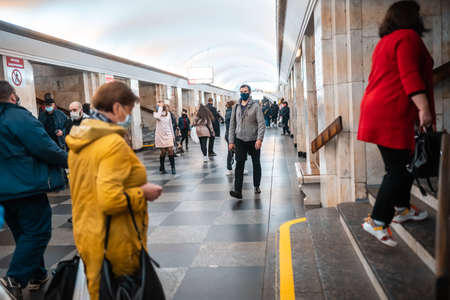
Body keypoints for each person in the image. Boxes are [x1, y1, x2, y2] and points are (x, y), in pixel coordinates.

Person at [66, 81, 162, 300]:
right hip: (115, 239)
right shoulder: (112, 143)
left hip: (87, 231)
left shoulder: (79, 140)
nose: (128, 117)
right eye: (128, 111)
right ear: (117, 108)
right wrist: (143, 193)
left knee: (100, 291)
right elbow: (110, 199)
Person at [358, 1, 433, 247]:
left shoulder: (385, 42)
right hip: (391, 110)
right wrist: (423, 108)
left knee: (402, 165)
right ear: (411, 17)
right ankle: (378, 220)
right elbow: (409, 74)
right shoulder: (408, 37)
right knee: (398, 170)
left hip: (379, 109)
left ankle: (401, 208)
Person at [0, 81, 68, 300]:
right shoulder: (18, 117)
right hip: (26, 186)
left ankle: (37, 274)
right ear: (12, 96)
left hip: (4, 189)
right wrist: (69, 159)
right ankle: (13, 280)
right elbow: (44, 146)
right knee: (38, 231)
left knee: (22, 232)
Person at [228, 84, 265, 198]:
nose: (243, 93)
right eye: (241, 91)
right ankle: (238, 190)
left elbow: (261, 124)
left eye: (245, 91)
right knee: (239, 164)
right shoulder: (236, 107)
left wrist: (259, 139)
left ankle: (256, 185)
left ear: (249, 93)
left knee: (256, 163)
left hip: (253, 140)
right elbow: (232, 124)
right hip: (240, 140)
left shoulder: (255, 106)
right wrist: (231, 141)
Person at [154, 101, 176, 174]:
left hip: (168, 134)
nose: (163, 106)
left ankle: (173, 167)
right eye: (160, 105)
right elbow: (157, 116)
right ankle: (162, 167)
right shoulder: (156, 114)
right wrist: (159, 107)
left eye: (162, 105)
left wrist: (173, 135)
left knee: (170, 150)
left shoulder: (168, 114)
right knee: (163, 152)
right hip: (160, 135)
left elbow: (170, 125)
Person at [224, 100, 235, 175]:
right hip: (232, 134)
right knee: (231, 151)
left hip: (229, 134)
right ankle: (229, 168)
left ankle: (230, 167)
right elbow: (231, 126)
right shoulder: (231, 113)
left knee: (231, 151)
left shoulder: (228, 111)